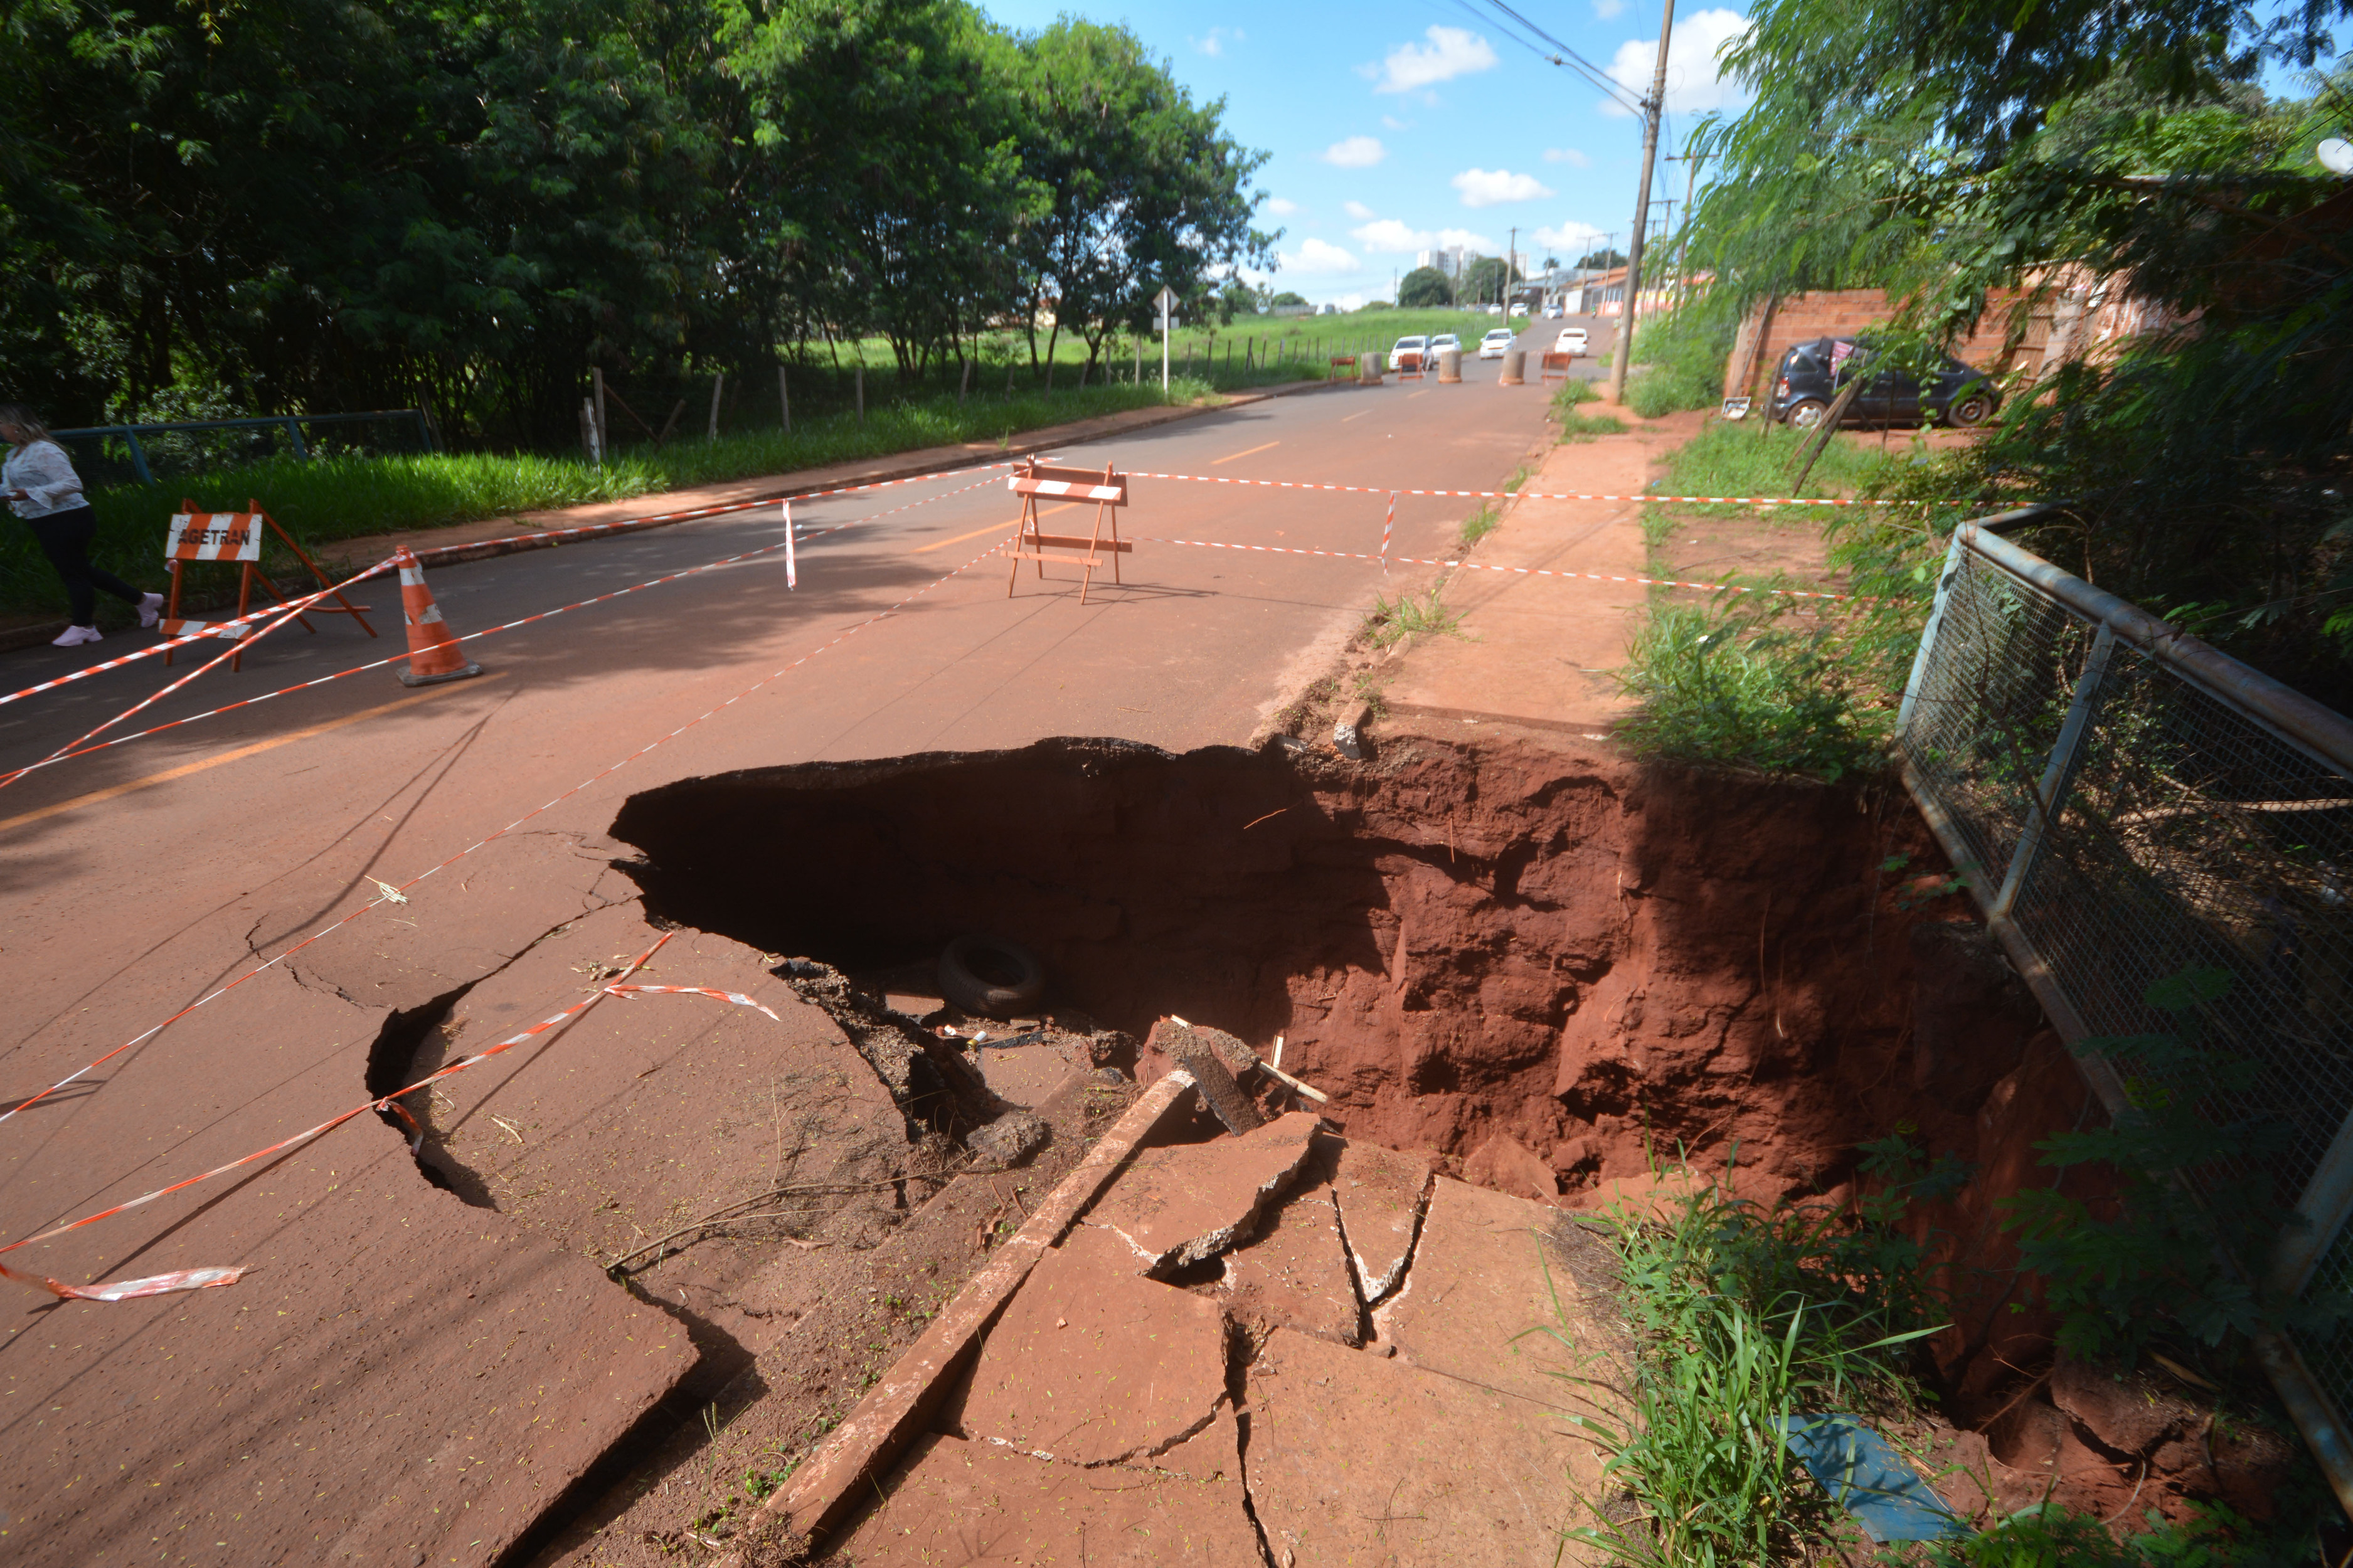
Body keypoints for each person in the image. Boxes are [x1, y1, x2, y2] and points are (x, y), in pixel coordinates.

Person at [0, 403, 162, 647]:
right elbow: (9, 485)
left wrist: (31, 493)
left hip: (69, 517)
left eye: (2, 423)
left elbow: (72, 483)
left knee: (72, 572)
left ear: (16, 425)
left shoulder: (44, 450)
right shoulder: (13, 454)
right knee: (81, 571)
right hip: (40, 520)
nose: (1, 429)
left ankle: (84, 626)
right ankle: (143, 601)